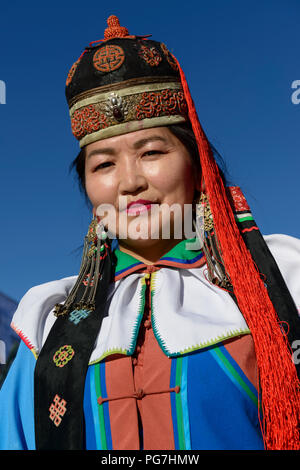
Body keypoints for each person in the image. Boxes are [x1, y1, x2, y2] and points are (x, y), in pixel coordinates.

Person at [0, 15, 300, 451]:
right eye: (103, 164)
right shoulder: (46, 324)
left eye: (153, 152)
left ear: (198, 167)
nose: (129, 182)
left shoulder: (284, 281)